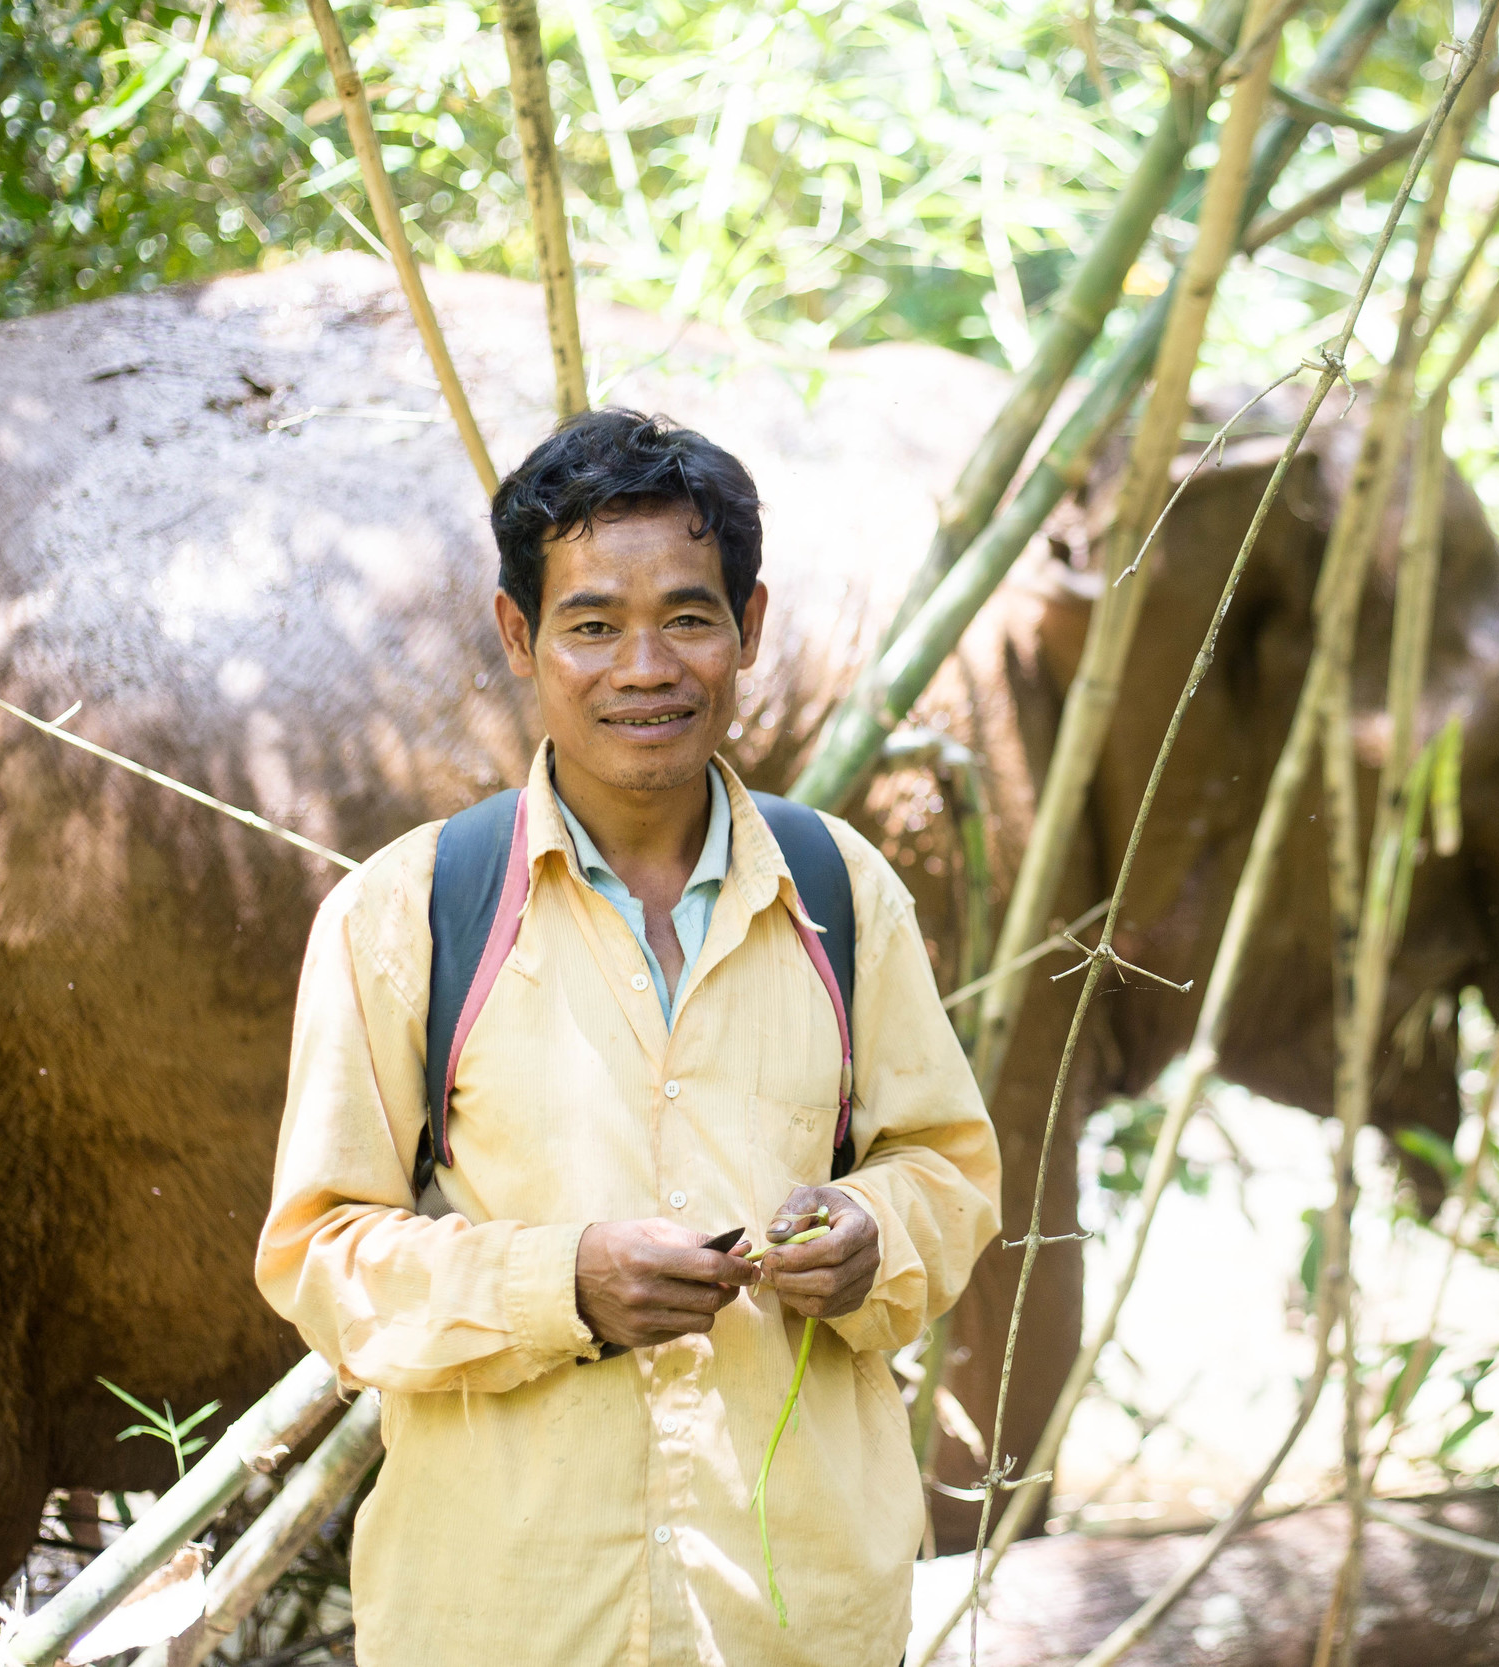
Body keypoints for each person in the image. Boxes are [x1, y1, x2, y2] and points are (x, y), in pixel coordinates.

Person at [256, 409, 1001, 1666]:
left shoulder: (841, 890)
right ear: (519, 636)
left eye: (689, 618)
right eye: (593, 623)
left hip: (798, 1620)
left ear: (749, 628)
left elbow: (949, 1171)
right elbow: (321, 1257)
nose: (644, 665)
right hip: (500, 1622)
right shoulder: (409, 913)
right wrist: (567, 1284)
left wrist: (880, 1236)